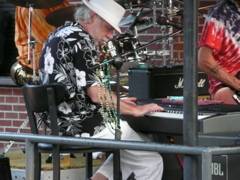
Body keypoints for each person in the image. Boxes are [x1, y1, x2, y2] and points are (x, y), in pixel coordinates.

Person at [38, 0, 164, 179]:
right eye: (109, 28)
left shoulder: (59, 33)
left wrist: (117, 103)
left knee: (135, 149)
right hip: (81, 125)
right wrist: (135, 109)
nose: (111, 36)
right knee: (150, 160)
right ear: (92, 16)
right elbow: (97, 95)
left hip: (59, 123)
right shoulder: (82, 39)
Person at [11, 0, 70, 86]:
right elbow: (54, 42)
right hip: (39, 68)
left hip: (57, 61)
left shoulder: (60, 2)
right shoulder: (33, 8)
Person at [198, 0, 240, 104]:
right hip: (230, 91)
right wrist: (237, 84)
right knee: (224, 93)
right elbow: (204, 60)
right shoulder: (220, 13)